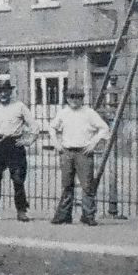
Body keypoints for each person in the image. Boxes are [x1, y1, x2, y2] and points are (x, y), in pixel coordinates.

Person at [50, 88, 110, 226]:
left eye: (77, 97)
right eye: (71, 97)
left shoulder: (89, 113)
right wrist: (56, 144)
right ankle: (64, 215)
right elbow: (52, 128)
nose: (74, 100)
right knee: (67, 185)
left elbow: (104, 128)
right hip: (67, 152)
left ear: (82, 99)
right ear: (67, 98)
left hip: (84, 153)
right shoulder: (63, 113)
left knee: (87, 185)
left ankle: (88, 215)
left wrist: (93, 143)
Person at [0, 78, 35, 221]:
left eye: (5, 91)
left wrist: (27, 141)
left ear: (10, 92)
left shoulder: (20, 106)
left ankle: (21, 211)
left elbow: (34, 127)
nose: (3, 94)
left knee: (18, 179)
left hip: (13, 145)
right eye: (0, 91)